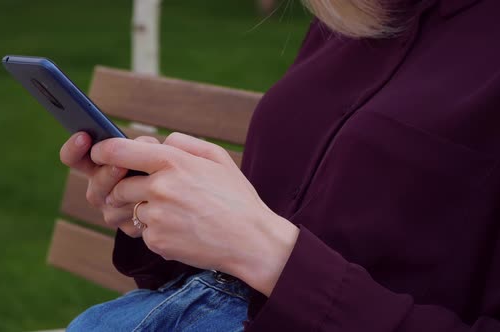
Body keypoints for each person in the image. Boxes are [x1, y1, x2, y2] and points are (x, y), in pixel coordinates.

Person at [62, 0, 500, 330]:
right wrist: (154, 215)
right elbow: (240, 265)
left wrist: (272, 257)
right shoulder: (353, 15)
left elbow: (270, 259)